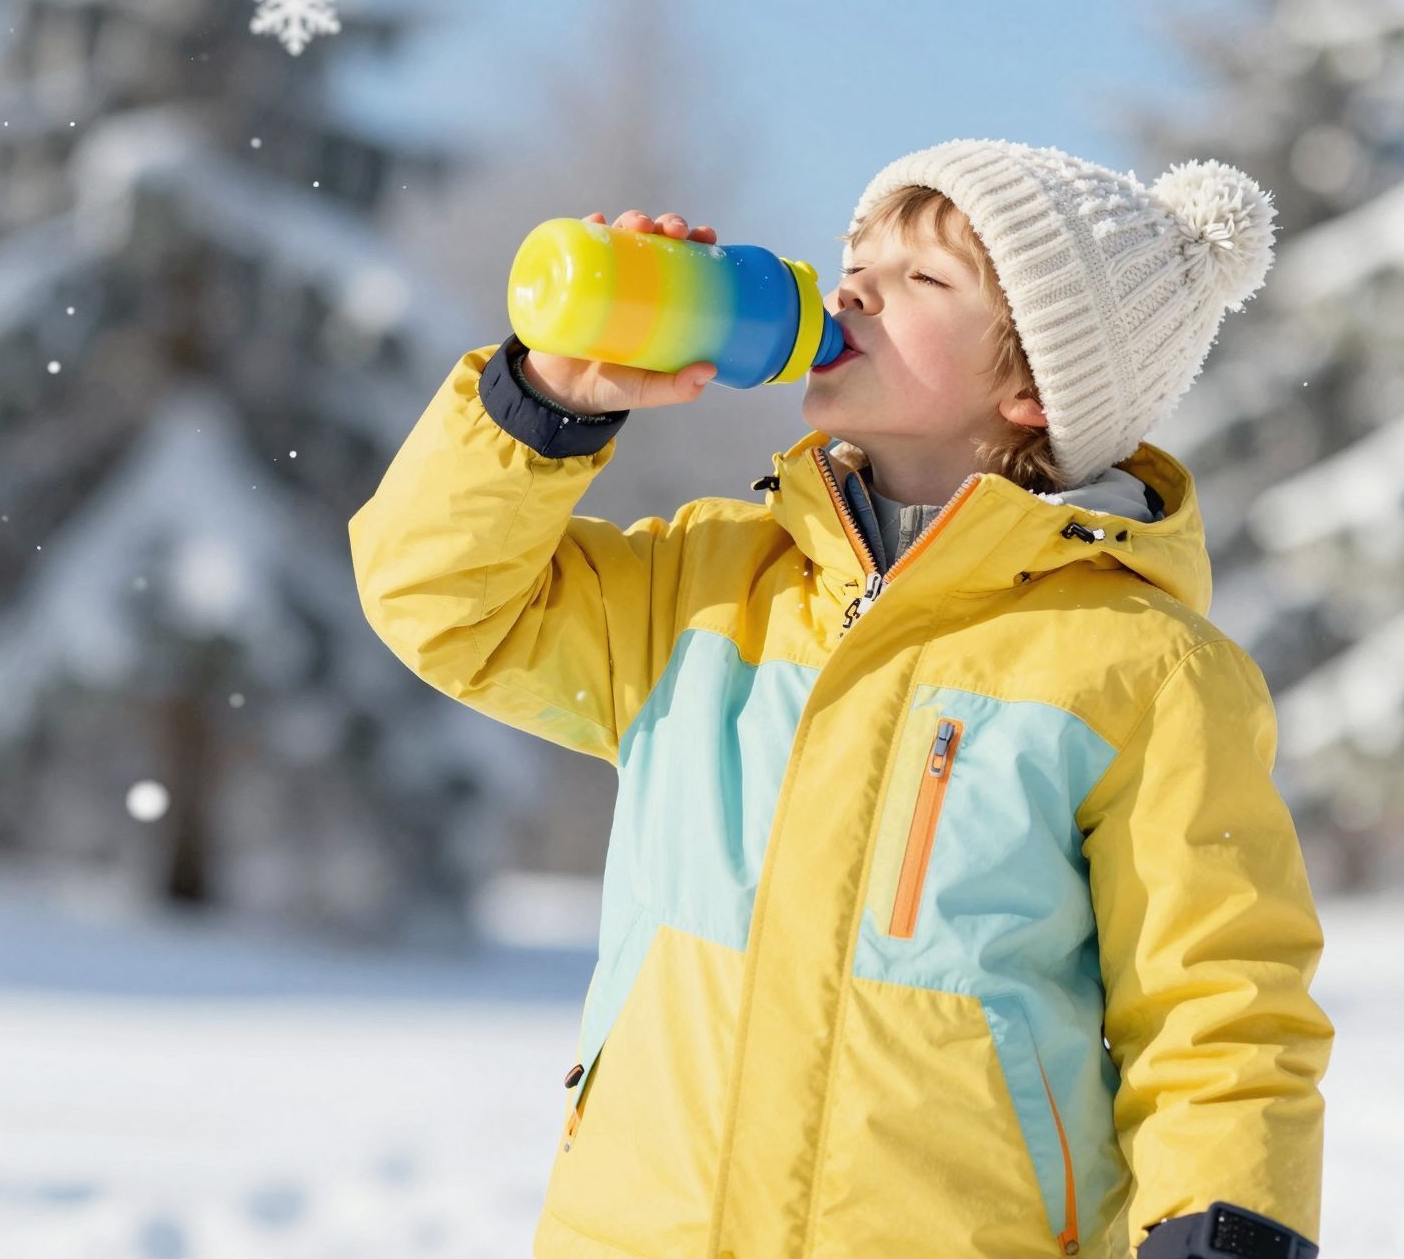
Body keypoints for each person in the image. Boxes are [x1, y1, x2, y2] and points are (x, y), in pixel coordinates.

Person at [349, 137, 1333, 1259]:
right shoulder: (704, 591)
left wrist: (1218, 1231)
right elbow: (439, 601)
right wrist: (549, 399)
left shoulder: (1139, 669)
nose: (853, 286)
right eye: (854, 255)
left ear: (1031, 385)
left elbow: (1217, 1002)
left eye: (922, 278)